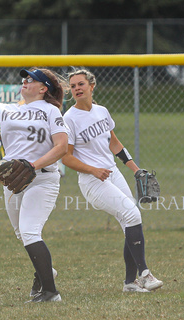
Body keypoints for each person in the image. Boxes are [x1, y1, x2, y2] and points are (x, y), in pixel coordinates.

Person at [0, 68, 69, 303]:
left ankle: (50, 292)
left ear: (43, 89)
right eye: (24, 79)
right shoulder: (9, 109)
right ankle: (46, 273)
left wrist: (33, 165)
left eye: (31, 80)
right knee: (21, 233)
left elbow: (61, 147)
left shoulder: (51, 111)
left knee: (30, 231)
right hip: (14, 179)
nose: (25, 82)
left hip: (42, 179)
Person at [62, 68, 163, 293]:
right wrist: (92, 169)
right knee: (133, 214)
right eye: (73, 86)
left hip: (112, 173)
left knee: (130, 222)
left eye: (81, 84)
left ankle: (130, 283)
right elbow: (65, 157)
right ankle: (145, 274)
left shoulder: (102, 111)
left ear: (91, 86)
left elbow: (114, 144)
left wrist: (136, 170)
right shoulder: (69, 118)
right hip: (92, 180)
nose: (77, 88)